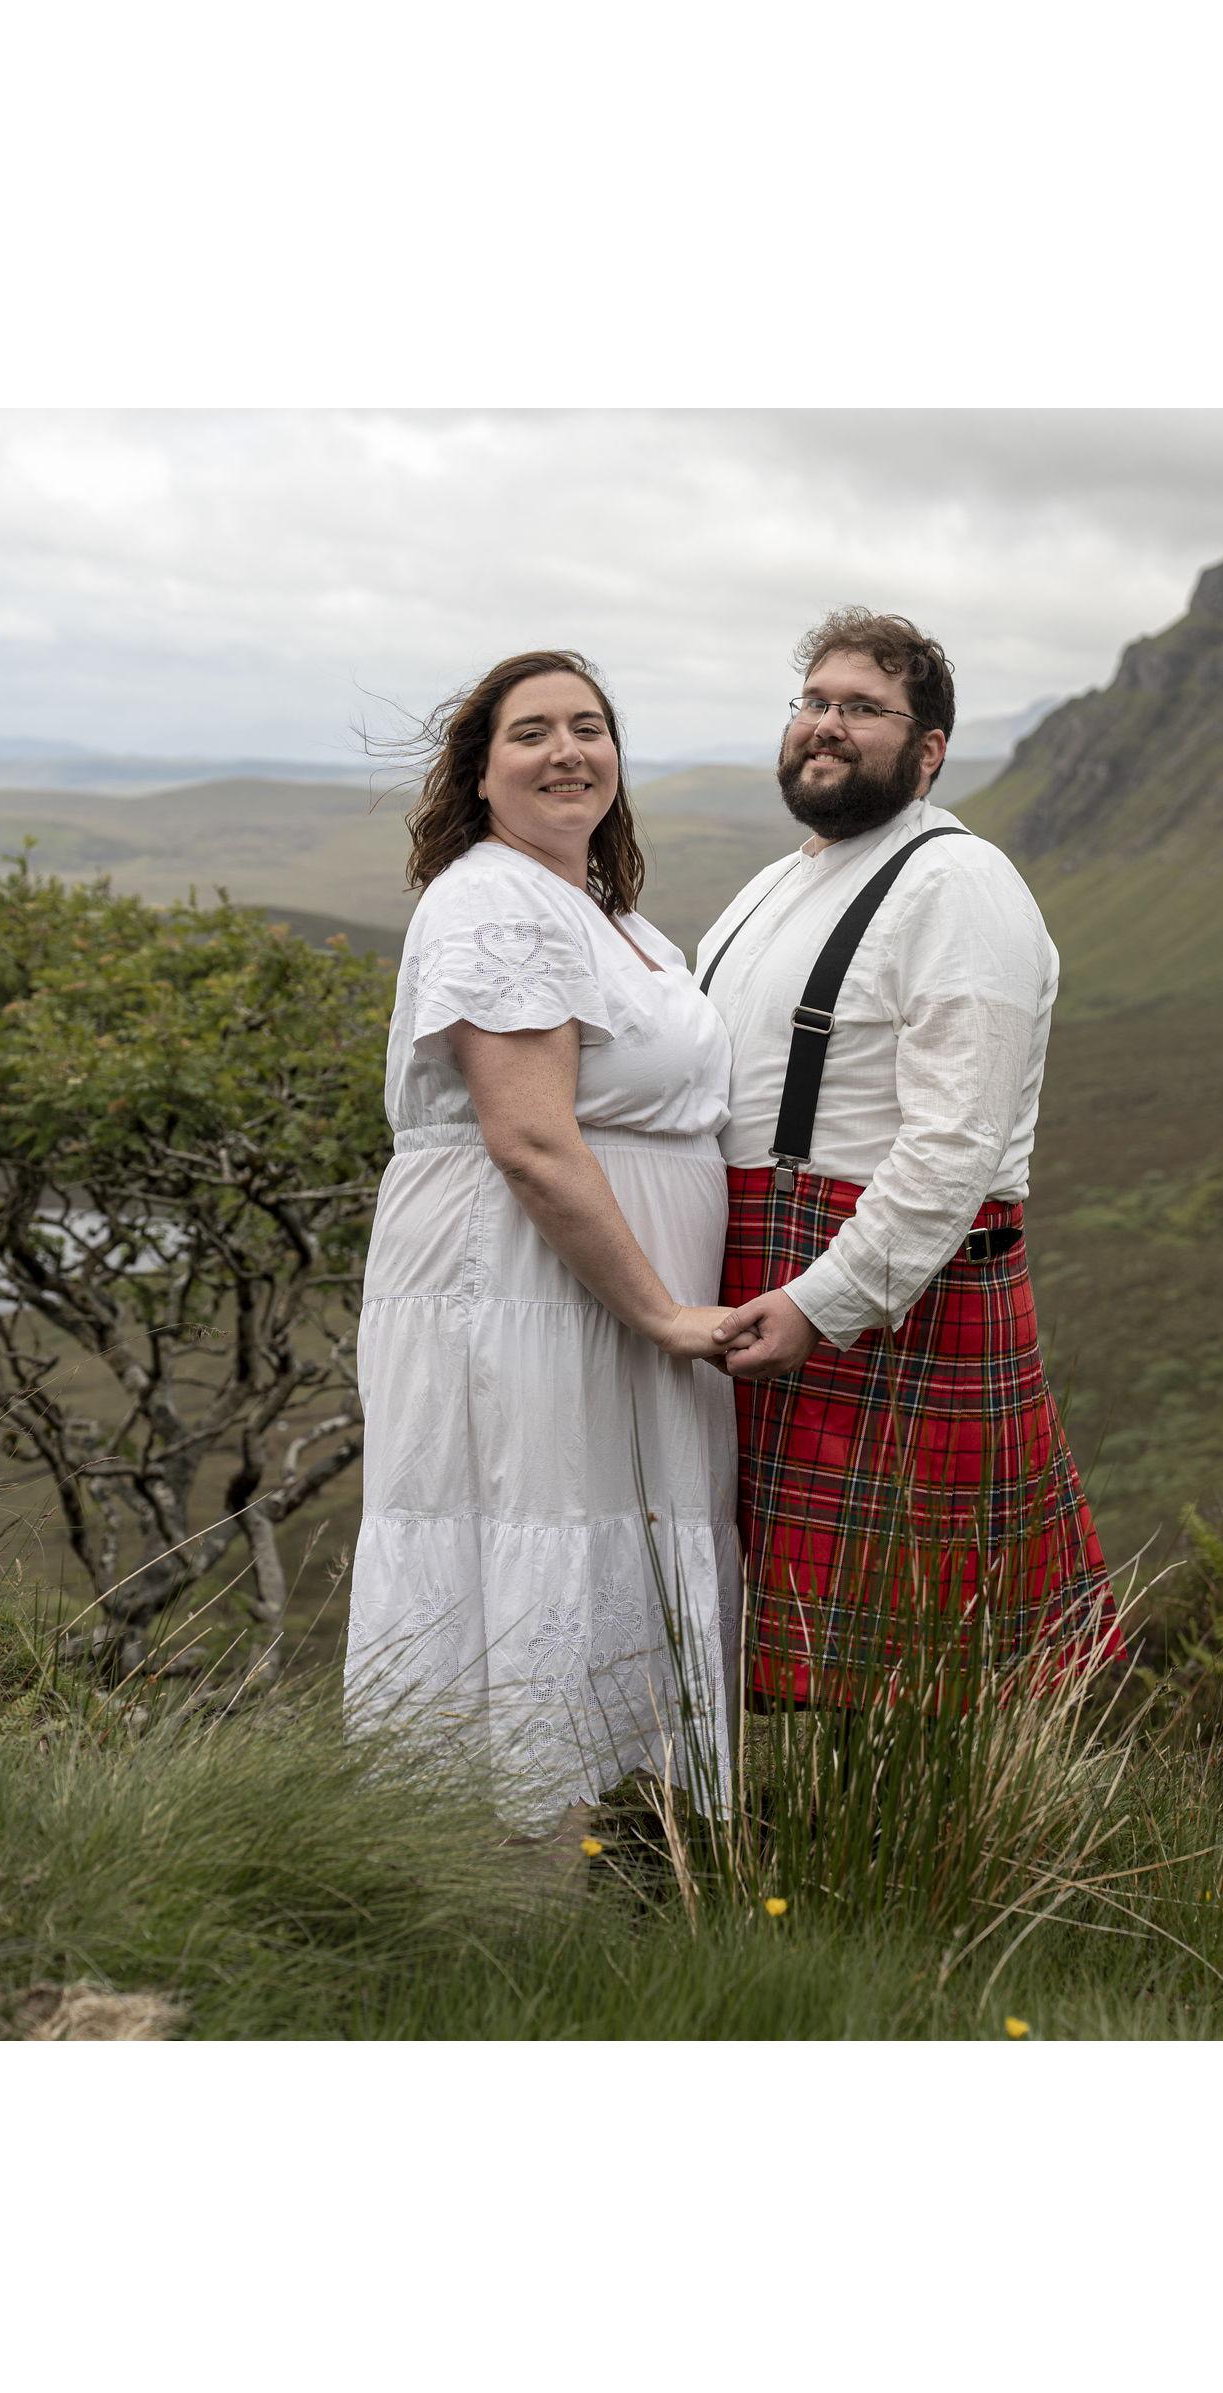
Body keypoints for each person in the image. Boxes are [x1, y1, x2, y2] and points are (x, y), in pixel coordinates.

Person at [346, 649, 740, 1836]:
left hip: (596, 1295)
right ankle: (497, 1872)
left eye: (588, 727)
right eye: (530, 733)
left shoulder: (609, 916)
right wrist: (660, 1311)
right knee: (528, 1537)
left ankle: (618, 1861)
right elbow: (528, 1140)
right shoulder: (493, 902)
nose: (567, 752)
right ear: (478, 774)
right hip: (524, 1287)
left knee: (596, 1547)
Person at [701, 608, 1118, 1704]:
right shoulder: (774, 883)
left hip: (877, 1304)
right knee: (760, 1648)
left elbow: (954, 1146)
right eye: (813, 700)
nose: (826, 724)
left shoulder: (959, 885)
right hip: (766, 1282)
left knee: (911, 1681)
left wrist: (822, 1302)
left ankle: (938, 1823)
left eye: (863, 708)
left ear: (927, 750)